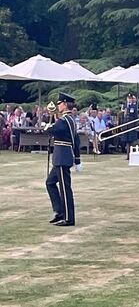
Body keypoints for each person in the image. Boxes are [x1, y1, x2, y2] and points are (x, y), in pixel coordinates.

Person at [45, 92, 82, 226]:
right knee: (50, 183)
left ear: (65, 104)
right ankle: (59, 211)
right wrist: (77, 159)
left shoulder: (64, 120)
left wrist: (49, 122)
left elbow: (51, 130)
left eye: (60, 103)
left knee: (65, 188)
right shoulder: (69, 119)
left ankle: (68, 218)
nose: (58, 105)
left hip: (62, 156)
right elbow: (76, 141)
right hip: (62, 156)